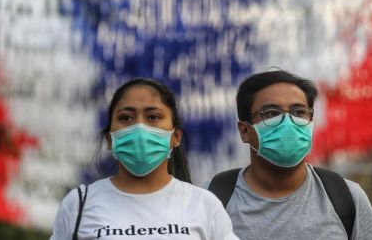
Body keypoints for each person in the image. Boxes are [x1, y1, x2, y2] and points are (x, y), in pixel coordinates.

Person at [207, 70, 372, 239]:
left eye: (299, 112)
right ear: (245, 130)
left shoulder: (346, 197)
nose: (288, 123)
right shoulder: (210, 200)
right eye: (271, 113)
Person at [50, 77, 238, 240]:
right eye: (125, 118)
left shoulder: (204, 204)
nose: (139, 128)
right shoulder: (79, 204)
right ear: (110, 138)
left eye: (153, 117)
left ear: (175, 137)